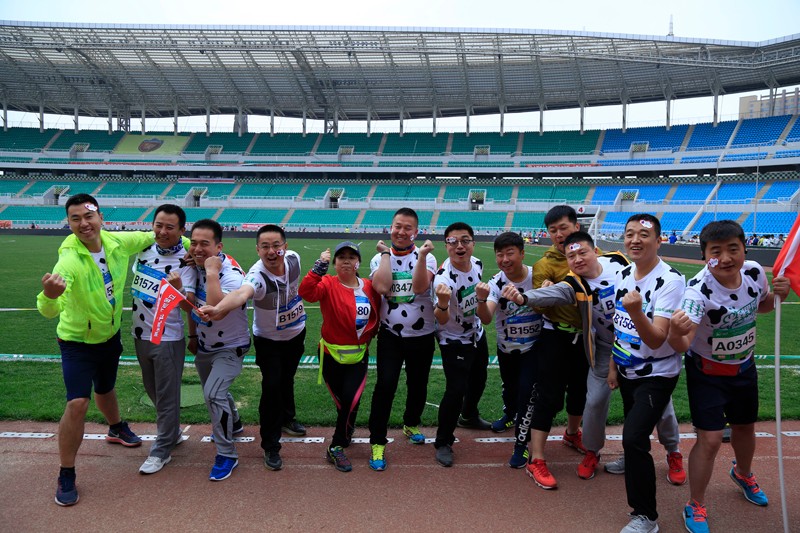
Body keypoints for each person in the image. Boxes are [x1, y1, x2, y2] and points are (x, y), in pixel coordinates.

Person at [503, 231, 683, 483]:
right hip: (606, 347)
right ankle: (591, 451)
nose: (577, 259)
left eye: (582, 253)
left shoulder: (620, 265)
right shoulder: (575, 283)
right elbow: (555, 293)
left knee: (659, 404)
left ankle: (673, 452)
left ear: (595, 251)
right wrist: (524, 297)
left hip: (644, 346)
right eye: (571, 256)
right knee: (595, 401)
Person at [668, 220, 789, 533]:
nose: (725, 258)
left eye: (733, 249)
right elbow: (683, 344)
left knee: (745, 428)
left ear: (745, 249)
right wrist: (675, 332)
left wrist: (780, 295)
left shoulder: (754, 272)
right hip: (707, 374)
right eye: (715, 252)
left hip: (744, 368)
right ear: (704, 256)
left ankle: (743, 473)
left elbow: (762, 306)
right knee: (709, 440)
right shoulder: (697, 292)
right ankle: (695, 504)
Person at [37, 193, 154, 507]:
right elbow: (49, 310)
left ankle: (115, 428)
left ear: (101, 217)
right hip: (77, 343)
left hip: (109, 337)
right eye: (75, 219)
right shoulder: (69, 260)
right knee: (78, 403)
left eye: (88, 216)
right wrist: (49, 295)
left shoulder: (117, 242)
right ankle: (66, 472)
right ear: (69, 223)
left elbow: (153, 235)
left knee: (105, 387)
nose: (83, 223)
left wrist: (191, 246)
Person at [198, 224, 307, 471]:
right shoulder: (256, 276)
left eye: (276, 246)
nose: (271, 251)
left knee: (287, 378)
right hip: (268, 341)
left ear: (285, 247)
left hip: (296, 333)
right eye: (265, 247)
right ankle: (271, 445)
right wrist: (219, 308)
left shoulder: (294, 259)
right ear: (257, 250)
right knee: (272, 386)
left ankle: (287, 418)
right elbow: (240, 294)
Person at [610, 213, 685, 533]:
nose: (635, 240)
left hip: (657, 373)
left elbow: (657, 338)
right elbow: (618, 326)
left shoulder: (671, 280)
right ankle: (632, 457)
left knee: (633, 435)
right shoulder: (624, 274)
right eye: (629, 234)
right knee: (634, 433)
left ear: (658, 240)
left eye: (643, 234)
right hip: (627, 368)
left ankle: (646, 517)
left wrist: (637, 311)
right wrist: (613, 366)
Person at [515, 205, 589, 490]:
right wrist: (546, 294)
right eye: (553, 230)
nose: (559, 234)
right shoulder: (544, 265)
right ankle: (537, 458)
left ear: (576, 227)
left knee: (581, 391)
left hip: (587, 338)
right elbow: (537, 306)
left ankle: (572, 433)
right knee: (548, 395)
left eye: (563, 228)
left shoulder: (595, 257)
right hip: (555, 337)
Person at [299, 241, 380, 472]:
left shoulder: (369, 287)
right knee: (344, 403)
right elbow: (306, 293)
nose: (346, 260)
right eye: (341, 257)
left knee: (350, 400)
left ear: (358, 263)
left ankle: (336, 446)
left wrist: (370, 336)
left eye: (351, 257)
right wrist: (319, 267)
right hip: (330, 356)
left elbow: (376, 314)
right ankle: (347, 427)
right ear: (334, 262)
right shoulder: (327, 283)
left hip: (359, 356)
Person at [367, 208, 438, 471]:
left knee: (418, 385)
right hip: (391, 335)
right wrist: (386, 254)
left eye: (408, 228)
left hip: (422, 335)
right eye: (398, 226)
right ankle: (377, 441)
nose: (401, 232)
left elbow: (419, 287)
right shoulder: (379, 258)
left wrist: (421, 256)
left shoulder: (427, 257)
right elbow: (382, 287)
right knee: (385, 386)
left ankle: (410, 422)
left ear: (416, 232)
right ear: (391, 228)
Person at [130, 204, 193, 475]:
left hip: (167, 336)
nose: (163, 231)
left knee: (167, 396)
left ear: (182, 230)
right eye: (159, 225)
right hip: (140, 333)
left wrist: (179, 290)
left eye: (170, 227)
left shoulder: (188, 260)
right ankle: (173, 432)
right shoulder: (143, 250)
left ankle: (161, 450)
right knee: (152, 389)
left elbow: (190, 306)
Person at [186, 218, 250, 482]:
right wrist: (192, 335)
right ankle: (234, 423)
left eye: (205, 244)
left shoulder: (231, 274)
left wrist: (211, 272)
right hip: (205, 344)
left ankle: (227, 454)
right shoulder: (195, 265)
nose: (197, 249)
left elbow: (216, 312)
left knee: (213, 394)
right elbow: (191, 304)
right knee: (215, 391)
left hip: (231, 346)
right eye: (193, 243)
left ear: (219, 247)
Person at [474, 231, 540, 468]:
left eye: (510, 253)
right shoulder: (496, 283)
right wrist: (481, 300)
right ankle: (510, 415)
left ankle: (521, 445)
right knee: (510, 388)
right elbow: (486, 318)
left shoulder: (537, 276)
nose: (504, 259)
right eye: (499, 254)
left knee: (526, 394)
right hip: (506, 349)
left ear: (522, 253)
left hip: (534, 349)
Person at [431, 222, 490, 467]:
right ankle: (443, 441)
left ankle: (469, 415)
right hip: (453, 339)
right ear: (446, 246)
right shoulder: (443, 280)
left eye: (465, 240)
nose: (459, 246)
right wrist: (443, 303)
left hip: (476, 332)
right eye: (453, 241)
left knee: (479, 379)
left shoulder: (477, 264)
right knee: (456, 389)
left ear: (473, 243)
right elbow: (441, 318)